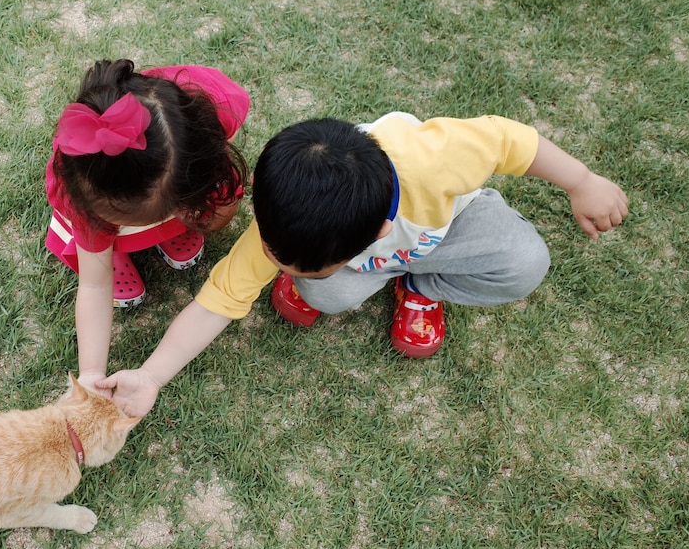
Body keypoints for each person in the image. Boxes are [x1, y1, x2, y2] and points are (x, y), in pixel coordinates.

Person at [99, 112, 629, 417]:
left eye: (292, 265)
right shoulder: (282, 220)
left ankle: (422, 285)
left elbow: (514, 139)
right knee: (325, 295)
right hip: (369, 247)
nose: (267, 257)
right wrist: (151, 376)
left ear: (374, 239)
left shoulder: (438, 158)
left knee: (525, 261)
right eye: (274, 258)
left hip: (447, 228)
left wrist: (582, 181)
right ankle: (339, 283)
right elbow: (214, 303)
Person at [45, 59, 250, 391]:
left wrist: (200, 211)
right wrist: (91, 374)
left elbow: (225, 190)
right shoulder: (82, 191)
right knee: (98, 245)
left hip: (185, 191)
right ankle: (109, 252)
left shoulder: (224, 105)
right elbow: (95, 287)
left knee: (214, 209)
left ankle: (168, 224)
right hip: (107, 214)